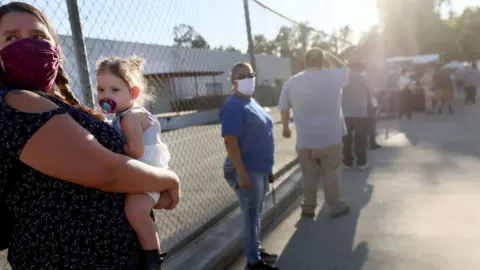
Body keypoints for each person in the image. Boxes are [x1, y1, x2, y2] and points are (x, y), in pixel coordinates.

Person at [0, 2, 180, 269]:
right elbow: (107, 171)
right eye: (11, 38)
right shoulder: (16, 102)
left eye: (39, 37)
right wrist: (170, 179)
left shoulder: (47, 102)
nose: (27, 46)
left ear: (56, 51)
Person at [96, 56, 173, 269]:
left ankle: (152, 257)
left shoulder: (132, 116)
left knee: (135, 211)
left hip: (148, 173)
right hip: (140, 173)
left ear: (134, 93)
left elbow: (135, 150)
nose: (106, 95)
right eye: (101, 89)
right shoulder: (121, 116)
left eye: (114, 90)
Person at [279, 48, 350, 218]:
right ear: (322, 61)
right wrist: (329, 55)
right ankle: (335, 205)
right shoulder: (333, 76)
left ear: (305, 62)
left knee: (308, 174)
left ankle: (308, 207)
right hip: (330, 137)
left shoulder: (292, 82)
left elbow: (283, 108)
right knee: (331, 171)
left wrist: (285, 127)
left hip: (306, 140)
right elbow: (344, 68)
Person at [221, 62, 278, 270]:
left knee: (256, 212)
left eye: (250, 74)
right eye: (241, 75)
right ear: (234, 81)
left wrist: (268, 169)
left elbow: (264, 136)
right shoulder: (233, 106)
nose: (247, 78)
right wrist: (242, 174)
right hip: (245, 169)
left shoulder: (251, 102)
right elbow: (230, 141)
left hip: (259, 168)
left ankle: (256, 250)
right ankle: (253, 262)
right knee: (251, 213)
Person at [342, 62, 371, 169]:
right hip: (360, 112)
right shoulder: (363, 78)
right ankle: (361, 162)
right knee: (360, 138)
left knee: (346, 138)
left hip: (345, 112)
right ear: (359, 68)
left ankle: (348, 161)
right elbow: (370, 93)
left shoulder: (343, 78)